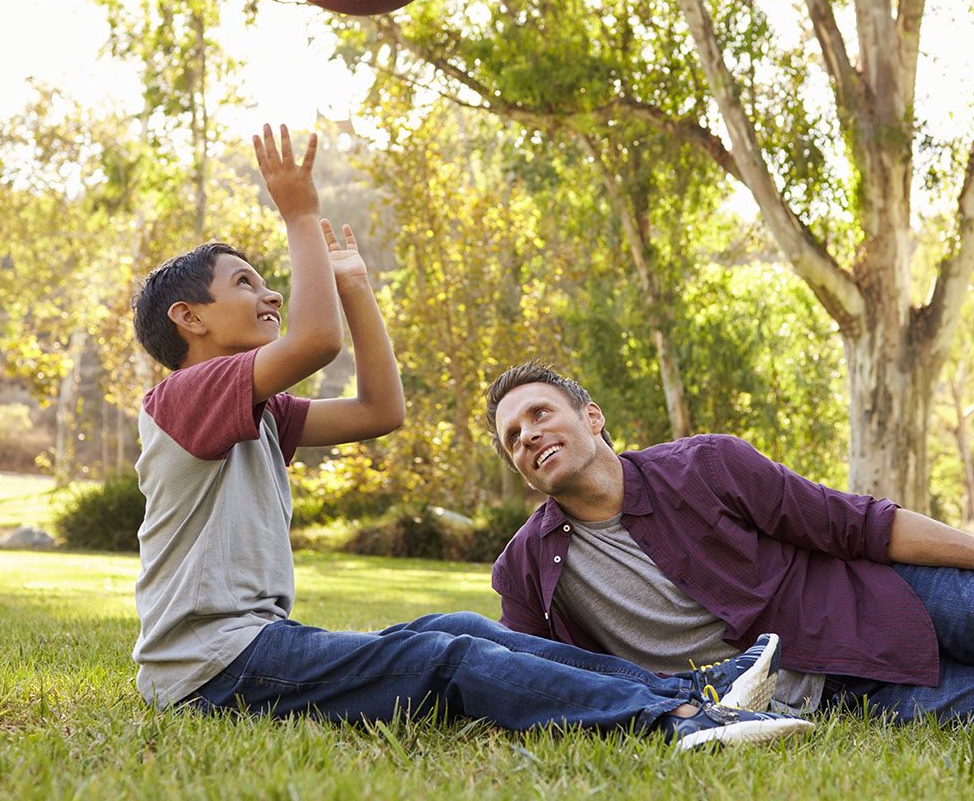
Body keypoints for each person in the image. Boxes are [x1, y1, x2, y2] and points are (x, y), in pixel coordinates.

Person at [128, 125, 811, 750]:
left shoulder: (260, 412)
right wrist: (299, 212)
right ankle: (675, 722)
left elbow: (378, 411)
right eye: (246, 283)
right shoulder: (185, 396)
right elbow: (315, 340)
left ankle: (698, 692)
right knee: (445, 662)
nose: (270, 293)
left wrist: (358, 289)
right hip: (210, 668)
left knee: (461, 628)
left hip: (253, 647)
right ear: (188, 317)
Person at [484, 360, 974, 722]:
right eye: (513, 436)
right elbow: (536, 679)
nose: (528, 435)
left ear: (592, 417)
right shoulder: (526, 569)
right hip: (829, 700)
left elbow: (854, 523)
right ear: (522, 472)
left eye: (540, 413)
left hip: (875, 602)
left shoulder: (708, 465)